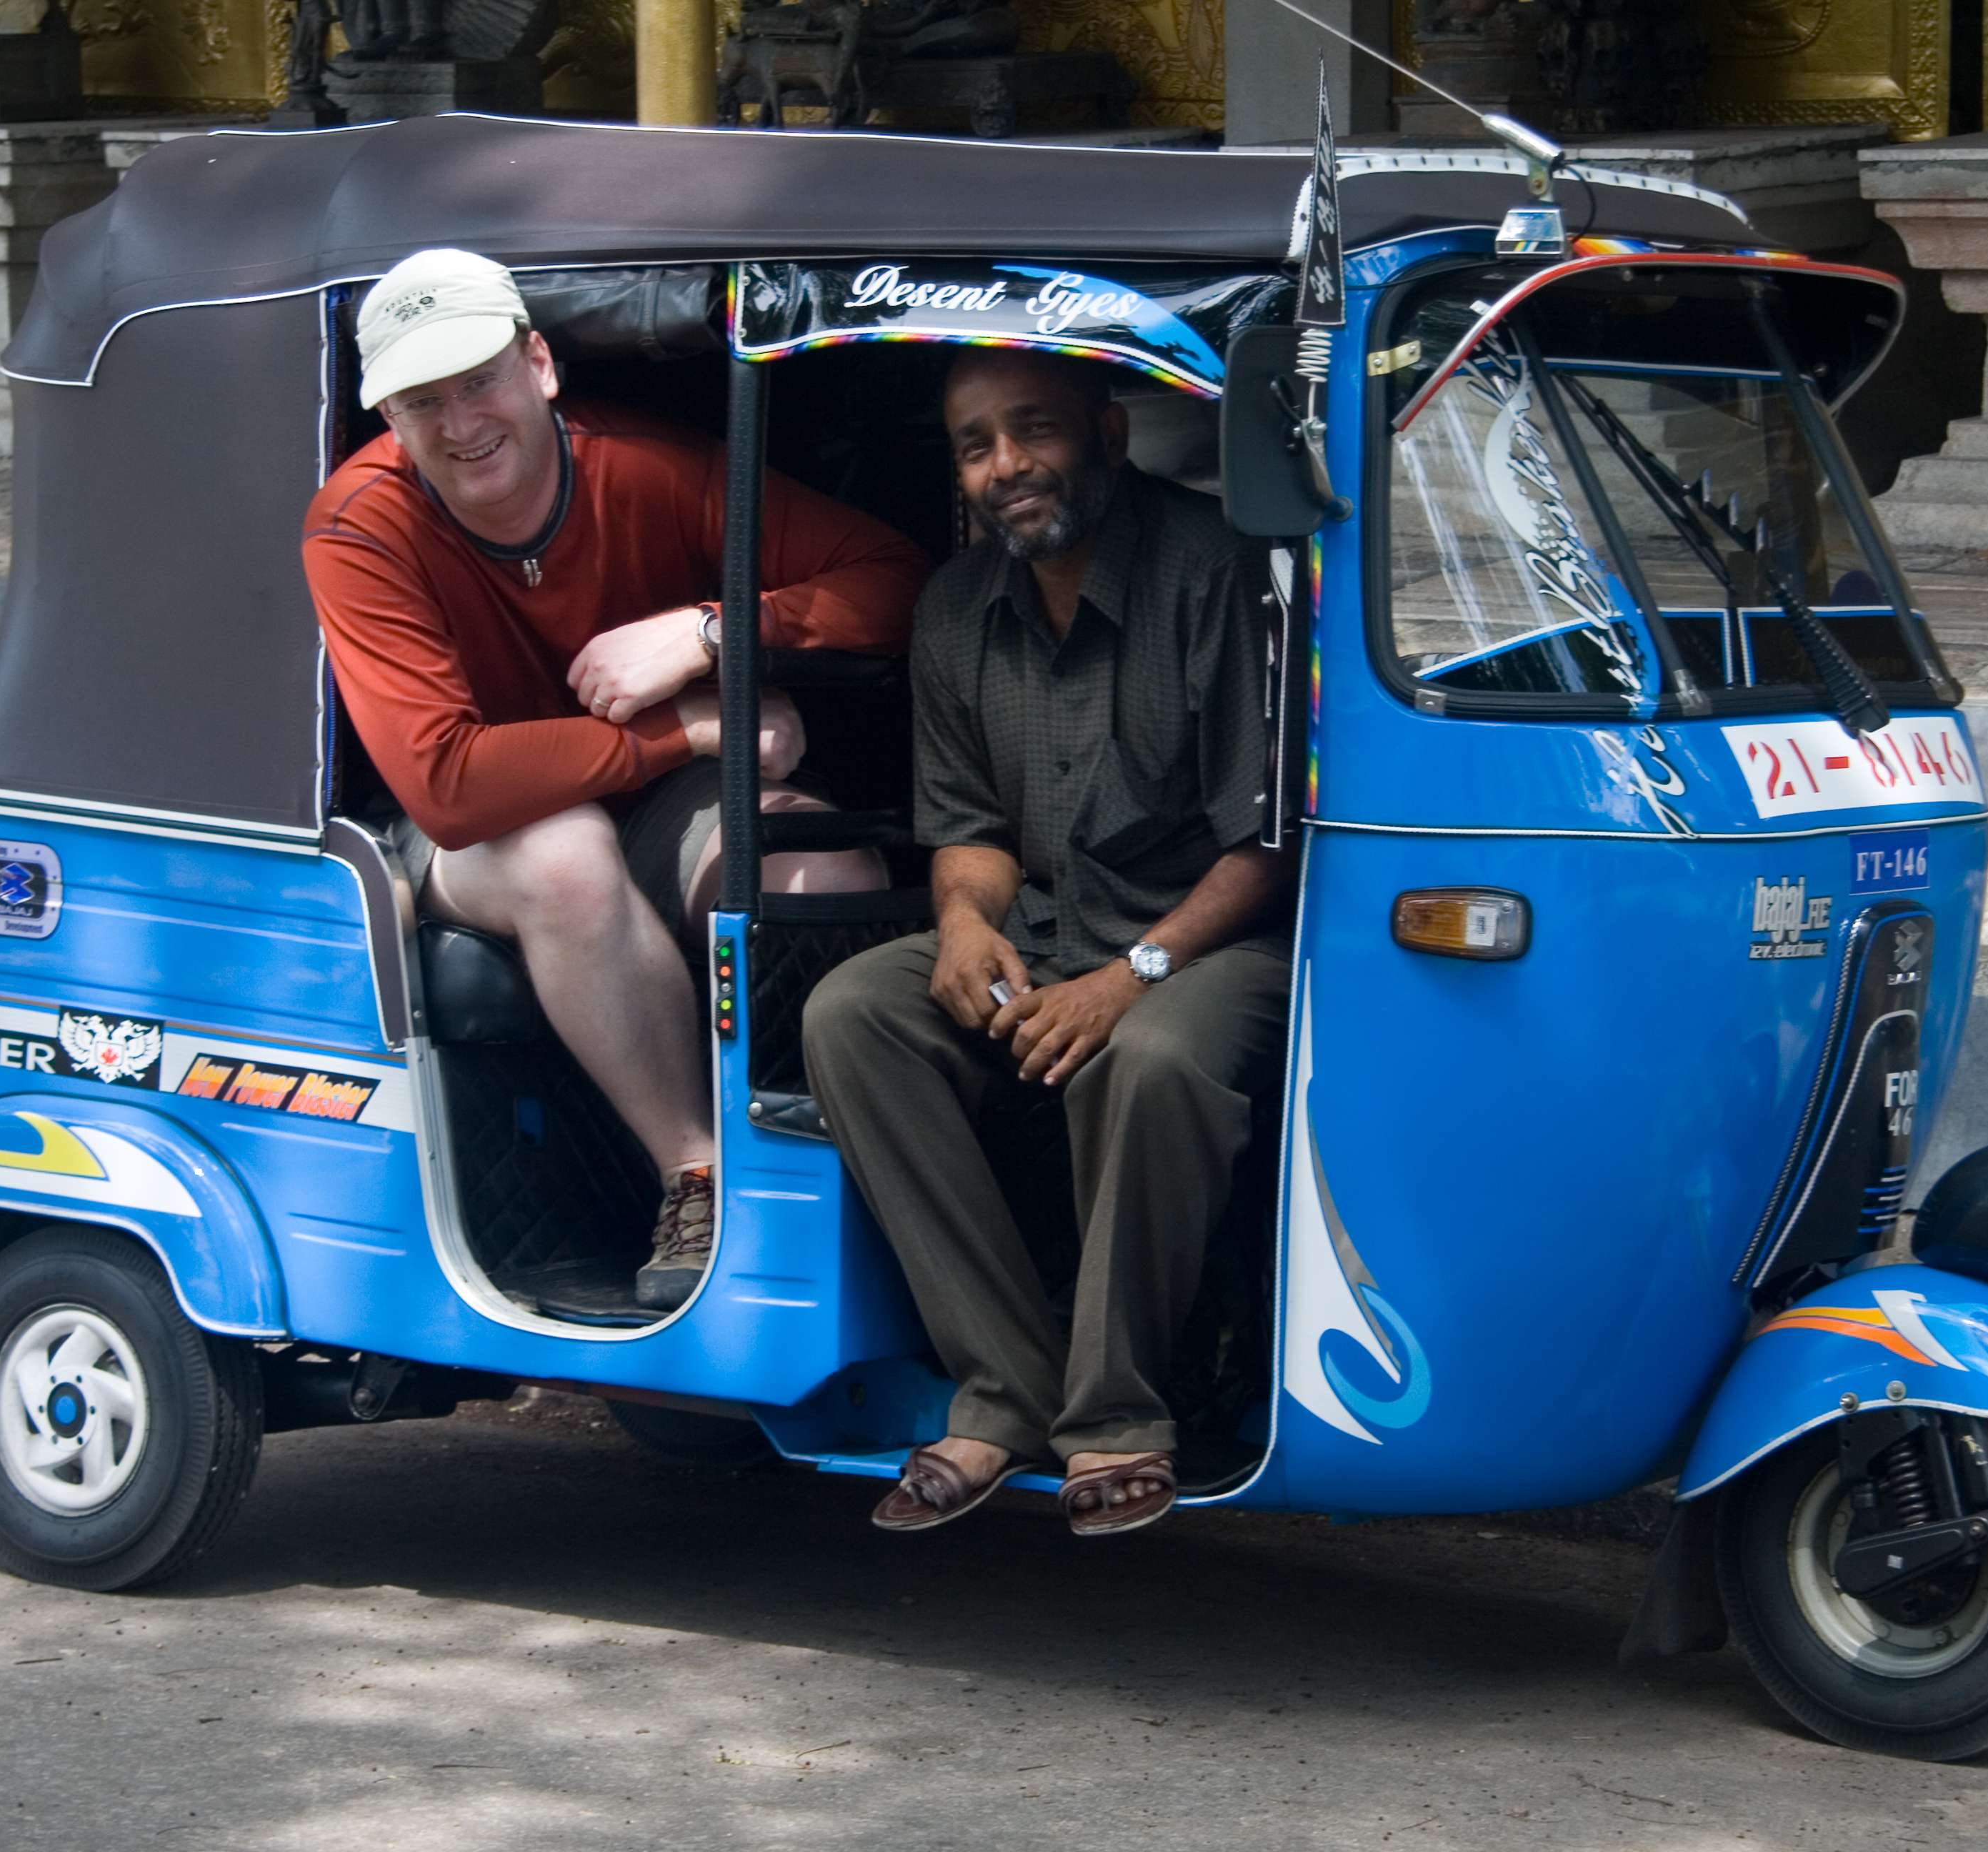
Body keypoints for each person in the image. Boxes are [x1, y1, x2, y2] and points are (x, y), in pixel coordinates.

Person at [305, 248, 928, 1311]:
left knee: (818, 860)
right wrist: (688, 732)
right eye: (422, 402)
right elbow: (449, 782)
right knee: (564, 855)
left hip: (659, 801)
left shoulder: (649, 467)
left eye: (479, 381)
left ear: (540, 365)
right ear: (389, 421)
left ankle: (856, 1178)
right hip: (483, 829)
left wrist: (711, 631)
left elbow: (898, 580)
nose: (460, 424)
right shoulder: (358, 524)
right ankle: (697, 1174)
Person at [802, 349, 1294, 1538]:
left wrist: (1132, 978)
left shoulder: (1212, 574)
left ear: (1109, 438)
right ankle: (1004, 1386)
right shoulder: (958, 607)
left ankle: (1118, 1416)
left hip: (1211, 946)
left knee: (1153, 1057)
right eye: (977, 446)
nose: (1008, 465)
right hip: (1047, 931)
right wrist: (964, 923)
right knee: (855, 1014)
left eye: (1035, 432)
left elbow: (1263, 850)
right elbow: (968, 830)